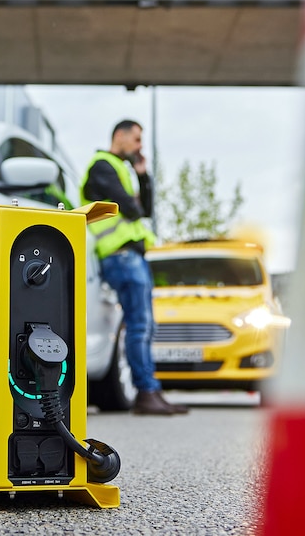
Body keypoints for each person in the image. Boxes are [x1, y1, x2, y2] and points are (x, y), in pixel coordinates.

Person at [81, 120, 188, 416]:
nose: (140, 146)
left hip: (131, 257)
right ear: (120, 136)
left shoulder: (122, 169)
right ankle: (146, 392)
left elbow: (146, 208)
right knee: (140, 326)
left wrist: (142, 176)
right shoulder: (102, 165)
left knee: (145, 325)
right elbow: (132, 209)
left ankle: (151, 390)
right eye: (137, 139)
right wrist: (135, 200)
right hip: (121, 256)